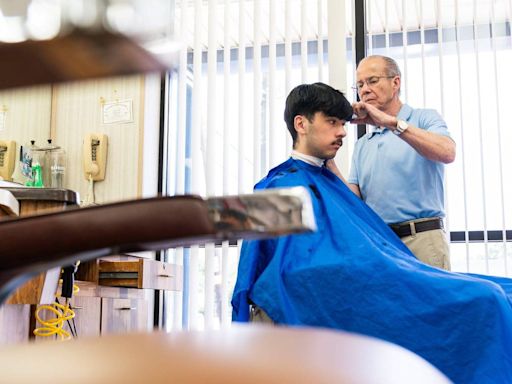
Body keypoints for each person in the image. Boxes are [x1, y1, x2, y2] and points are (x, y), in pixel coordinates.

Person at [232, 82, 512, 384]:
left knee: (504, 292)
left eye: (342, 123)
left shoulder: (326, 180)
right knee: (487, 299)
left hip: (381, 275)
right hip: (359, 286)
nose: (341, 132)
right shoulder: (278, 185)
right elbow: (267, 271)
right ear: (301, 123)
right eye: (331, 122)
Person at [341, 55, 455, 270]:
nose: (364, 90)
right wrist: (326, 159)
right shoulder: (363, 143)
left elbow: (447, 152)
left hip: (422, 240)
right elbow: (352, 201)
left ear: (396, 82)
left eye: (372, 81)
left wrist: (392, 124)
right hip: (380, 244)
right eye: (359, 84)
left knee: (428, 303)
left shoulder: (424, 118)